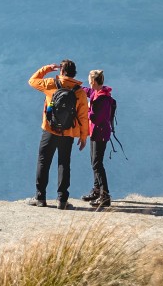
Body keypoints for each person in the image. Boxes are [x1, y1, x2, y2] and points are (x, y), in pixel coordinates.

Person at [28, 59, 90, 209]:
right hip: (68, 132)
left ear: (61, 71)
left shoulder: (50, 84)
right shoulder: (79, 92)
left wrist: (47, 68)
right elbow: (83, 116)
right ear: (74, 73)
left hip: (49, 130)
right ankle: (62, 200)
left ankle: (40, 198)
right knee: (64, 163)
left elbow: (32, 81)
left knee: (43, 161)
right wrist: (83, 136)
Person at [82, 69, 115, 208]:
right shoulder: (98, 92)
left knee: (97, 164)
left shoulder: (101, 99)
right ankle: (97, 191)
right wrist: (75, 86)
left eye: (90, 82)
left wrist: (86, 109)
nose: (89, 84)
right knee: (94, 162)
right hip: (97, 133)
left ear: (94, 81)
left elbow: (95, 117)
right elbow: (89, 92)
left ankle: (105, 195)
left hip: (100, 134)